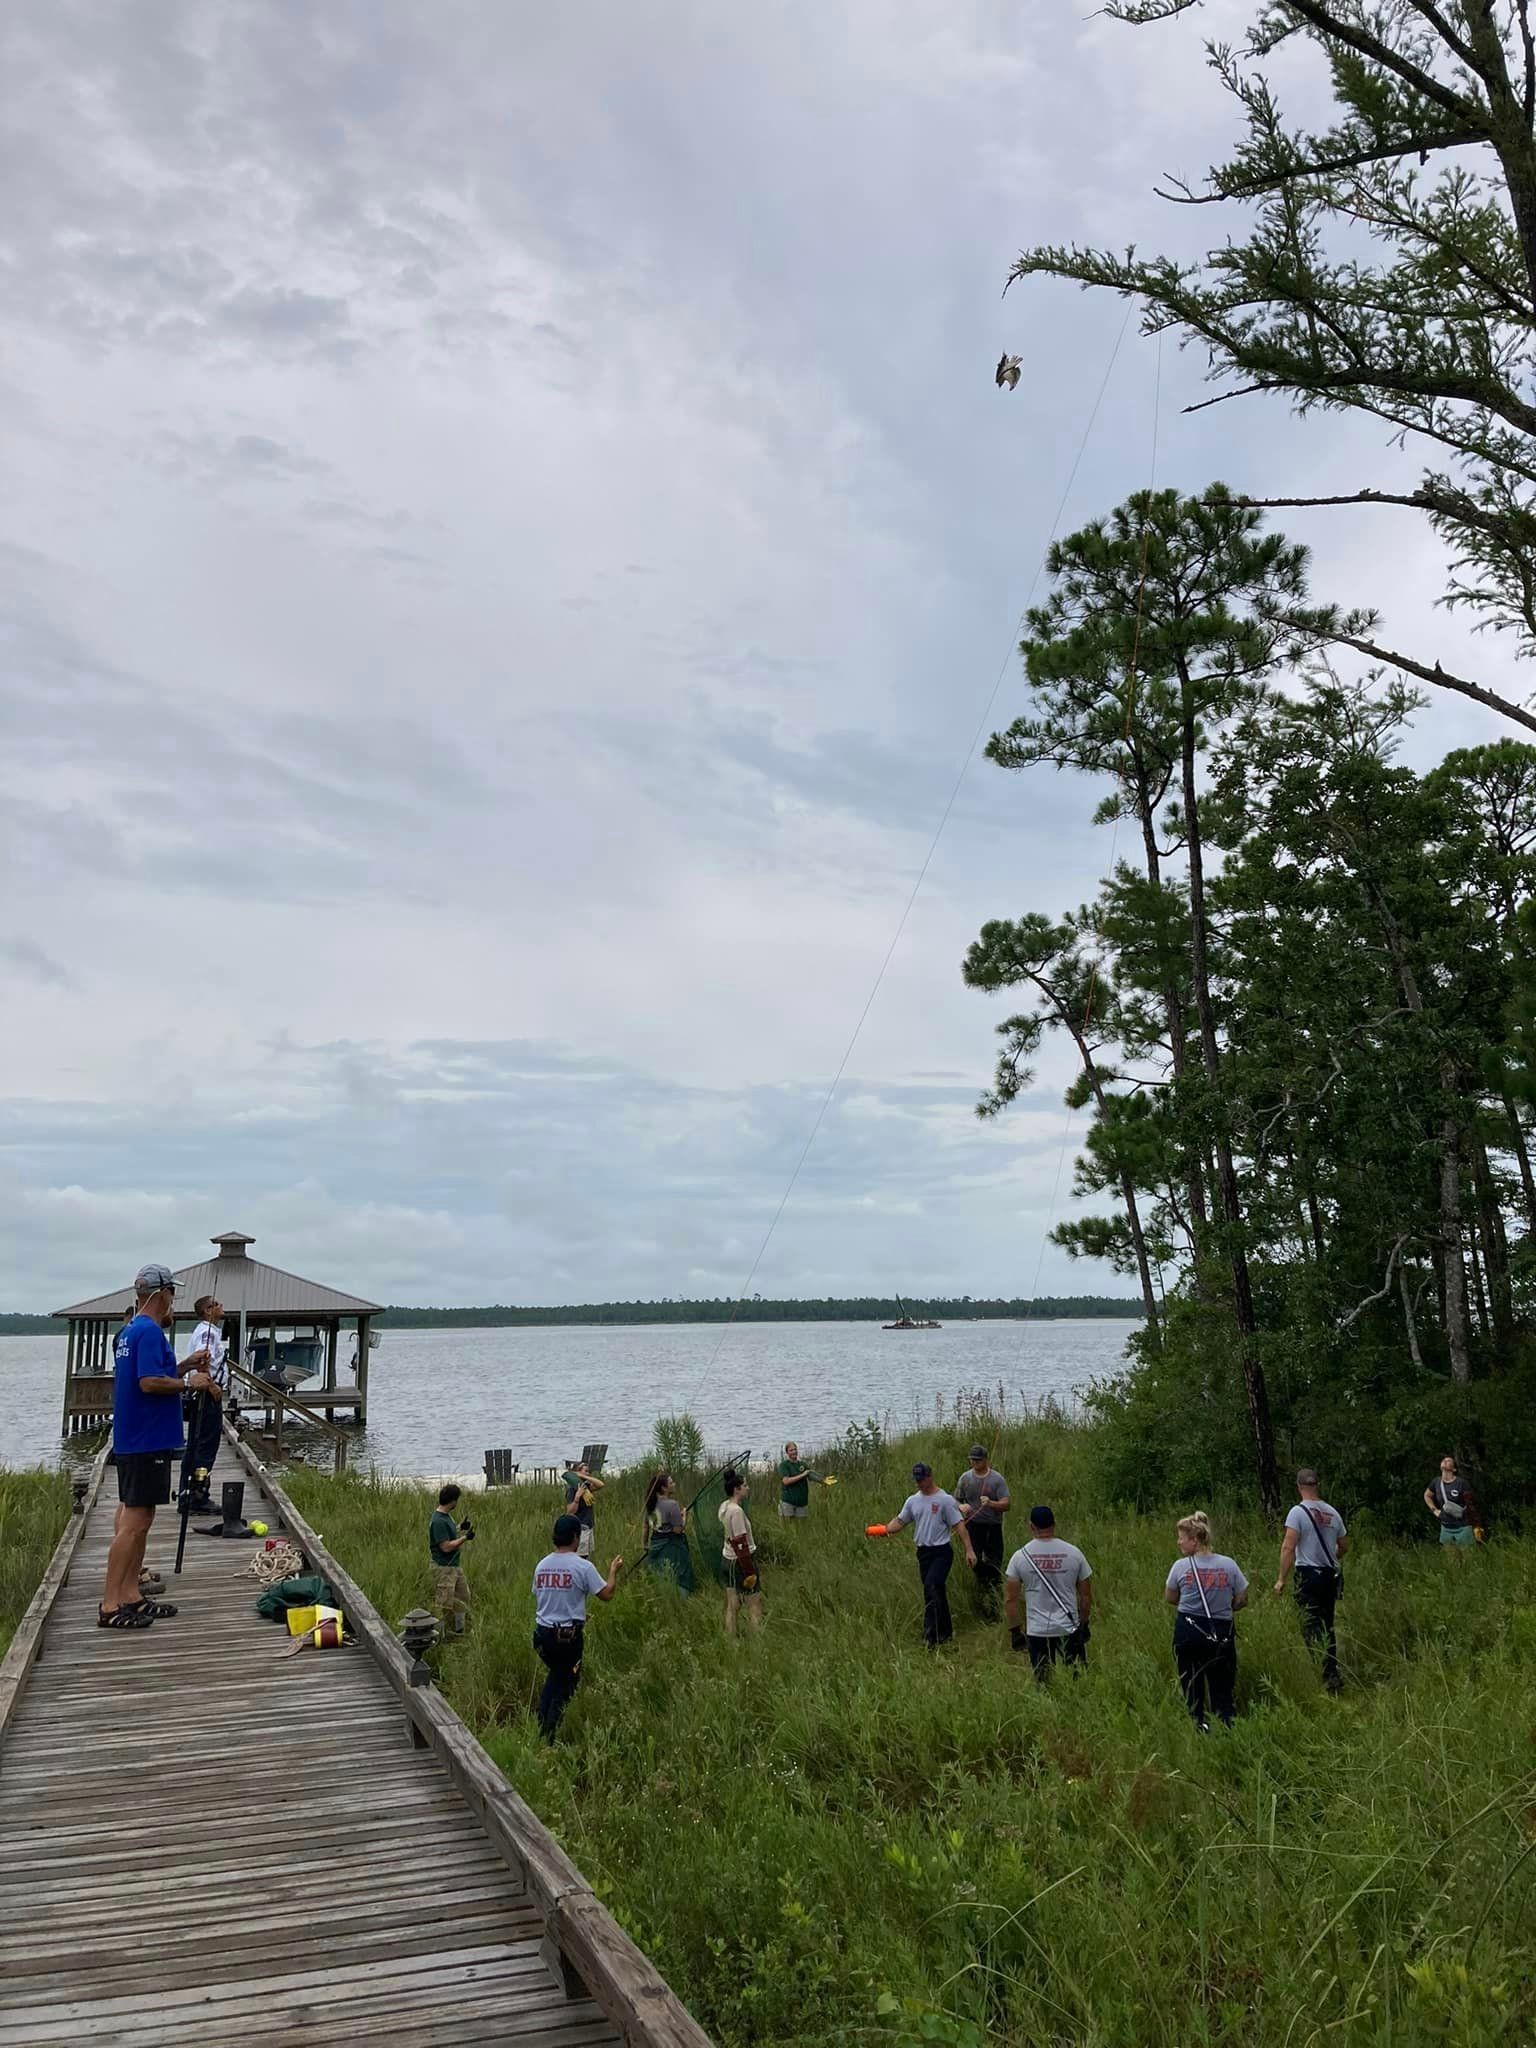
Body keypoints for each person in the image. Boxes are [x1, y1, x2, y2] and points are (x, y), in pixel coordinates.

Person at [99, 1264, 214, 1629]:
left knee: (136, 1515)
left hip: (133, 1436)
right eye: (172, 1294)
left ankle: (131, 1594)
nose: (173, 1301)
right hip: (146, 1438)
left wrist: (182, 1366)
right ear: (160, 1294)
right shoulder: (149, 1332)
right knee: (135, 1521)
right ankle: (111, 1604)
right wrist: (190, 1383)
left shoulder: (131, 1331)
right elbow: (149, 1383)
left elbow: (145, 1376)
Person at [531, 1513, 621, 1738]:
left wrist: (577, 1614)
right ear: (575, 1537)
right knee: (565, 1685)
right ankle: (548, 1736)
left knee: (556, 1675)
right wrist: (613, 1571)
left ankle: (539, 1724)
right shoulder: (583, 1566)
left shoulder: (542, 1565)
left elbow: (547, 1597)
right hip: (567, 1640)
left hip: (542, 1636)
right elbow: (607, 1594)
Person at [872, 1462, 977, 1649]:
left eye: (921, 1479)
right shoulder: (913, 1501)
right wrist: (884, 1530)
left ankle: (930, 1637)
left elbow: (959, 1526)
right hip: (924, 1554)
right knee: (933, 1592)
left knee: (932, 1585)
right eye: (916, 1480)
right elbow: (900, 1521)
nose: (918, 1483)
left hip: (942, 1552)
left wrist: (969, 1550)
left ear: (930, 1477)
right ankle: (944, 1634)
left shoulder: (944, 1500)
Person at [1164, 1512, 1248, 1730]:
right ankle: (1227, 1727)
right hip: (1221, 1632)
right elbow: (1242, 1599)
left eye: (1181, 1537)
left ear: (1195, 1539)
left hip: (1189, 1632)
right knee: (1222, 1687)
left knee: (1192, 1685)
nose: (1178, 1541)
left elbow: (1170, 1597)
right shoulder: (1229, 1565)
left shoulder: (1180, 1567)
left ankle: (1199, 1725)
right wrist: (1225, 1606)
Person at [1274, 1466, 1347, 1693]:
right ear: (1317, 1485)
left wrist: (1281, 1579)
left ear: (1299, 1487)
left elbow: (1288, 1546)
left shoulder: (1297, 1512)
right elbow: (1344, 1545)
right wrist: (1331, 1556)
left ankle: (1323, 1672)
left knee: (1310, 1624)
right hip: (1329, 1575)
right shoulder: (1332, 1513)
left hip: (1307, 1575)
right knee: (1328, 1624)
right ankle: (1331, 1672)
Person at [1005, 1504, 1092, 1680]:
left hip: (1037, 1631)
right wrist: (1084, 1624)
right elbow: (1085, 1596)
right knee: (1076, 1680)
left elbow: (1011, 1600)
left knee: (1043, 1682)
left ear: (1031, 1527)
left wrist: (1015, 1631)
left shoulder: (1019, 1557)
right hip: (1069, 1628)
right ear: (1054, 1525)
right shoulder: (1074, 1553)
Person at [178, 1294, 226, 1514]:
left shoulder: (208, 1331)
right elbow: (202, 1361)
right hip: (206, 1395)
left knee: (196, 1446)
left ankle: (189, 1492)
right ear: (208, 1310)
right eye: (217, 1304)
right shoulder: (207, 1333)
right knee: (205, 1447)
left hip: (202, 1395)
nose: (221, 1307)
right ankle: (196, 1495)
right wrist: (213, 1386)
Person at [954, 1443, 1011, 1619]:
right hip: (973, 1526)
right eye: (972, 1460)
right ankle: (986, 1586)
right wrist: (960, 1506)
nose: (974, 1463)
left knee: (995, 1563)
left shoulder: (997, 1479)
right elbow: (954, 1500)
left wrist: (992, 1503)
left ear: (985, 1460)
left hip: (993, 1527)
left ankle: (995, 1608)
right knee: (974, 1561)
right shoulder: (965, 1478)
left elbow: (1007, 1504)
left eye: (978, 1460)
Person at [718, 1468, 763, 1634]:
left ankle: (731, 1641)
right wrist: (749, 1571)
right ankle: (758, 1642)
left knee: (733, 1603)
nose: (748, 1488)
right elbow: (740, 1543)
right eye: (745, 1485)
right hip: (740, 1561)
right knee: (754, 1603)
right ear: (737, 1489)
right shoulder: (736, 1512)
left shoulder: (724, 1506)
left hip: (727, 1559)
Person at [430, 1483, 473, 1636]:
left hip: (454, 1566)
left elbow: (448, 1533)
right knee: (443, 1604)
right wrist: (465, 1538)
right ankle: (439, 1636)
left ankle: (459, 1630)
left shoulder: (445, 1517)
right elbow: (446, 1546)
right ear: (453, 1501)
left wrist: (460, 1527)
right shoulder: (438, 1521)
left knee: (463, 1597)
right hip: (444, 1567)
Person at [643, 1469, 694, 1593]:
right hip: (671, 1548)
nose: (674, 1484)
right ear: (663, 1488)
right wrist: (684, 1517)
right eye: (671, 1483)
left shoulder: (650, 1504)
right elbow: (678, 1530)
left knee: (660, 1576)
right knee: (677, 1576)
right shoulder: (672, 1505)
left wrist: (645, 1544)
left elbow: (646, 1526)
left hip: (655, 1544)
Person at [1425, 1454, 1481, 1548]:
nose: (1445, 1461)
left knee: (1468, 1558)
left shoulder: (1461, 1483)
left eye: (1449, 1461)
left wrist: (1477, 1525)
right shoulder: (1436, 1482)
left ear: (1454, 1469)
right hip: (1446, 1527)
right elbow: (1427, 1495)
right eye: (1444, 1460)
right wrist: (1434, 1510)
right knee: (1450, 1560)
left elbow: (1471, 1505)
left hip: (1463, 1526)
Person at [560, 1459, 602, 1559]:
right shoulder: (572, 1490)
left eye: (589, 1471)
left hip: (589, 1525)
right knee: (580, 1556)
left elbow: (600, 1484)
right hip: (580, 1527)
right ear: (577, 1472)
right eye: (585, 1471)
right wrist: (577, 1497)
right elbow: (570, 1511)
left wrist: (584, 1476)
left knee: (587, 1555)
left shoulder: (587, 1487)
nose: (589, 1473)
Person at [778, 1442, 811, 1521]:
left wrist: (823, 1480)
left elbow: (811, 1475)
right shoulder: (784, 1465)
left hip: (802, 1502)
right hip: (788, 1502)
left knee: (801, 1528)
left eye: (795, 1449)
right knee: (787, 1527)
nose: (794, 1452)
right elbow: (786, 1481)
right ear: (787, 1452)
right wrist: (802, 1475)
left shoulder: (802, 1464)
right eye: (791, 1450)